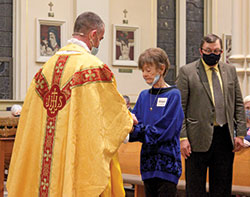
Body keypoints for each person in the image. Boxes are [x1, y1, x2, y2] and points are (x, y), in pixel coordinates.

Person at [7, 12, 137, 197]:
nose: (98, 44)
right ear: (92, 35)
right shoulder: (93, 68)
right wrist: (128, 120)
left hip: (44, 164)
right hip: (74, 160)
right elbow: (108, 114)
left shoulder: (44, 70)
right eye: (99, 39)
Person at [176, 34, 246, 196]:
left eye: (216, 50)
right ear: (201, 51)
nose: (212, 54)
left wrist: (240, 133)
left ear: (221, 51)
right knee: (195, 189)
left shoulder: (230, 70)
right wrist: (183, 137)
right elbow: (180, 108)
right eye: (208, 50)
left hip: (224, 136)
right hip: (196, 138)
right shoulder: (187, 72)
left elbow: (238, 103)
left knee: (222, 188)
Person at [129, 48, 184, 197]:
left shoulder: (174, 95)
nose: (144, 74)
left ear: (161, 69)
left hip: (167, 164)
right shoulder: (143, 95)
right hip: (148, 163)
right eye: (143, 70)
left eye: (148, 70)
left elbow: (166, 130)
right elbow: (131, 123)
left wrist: (137, 130)